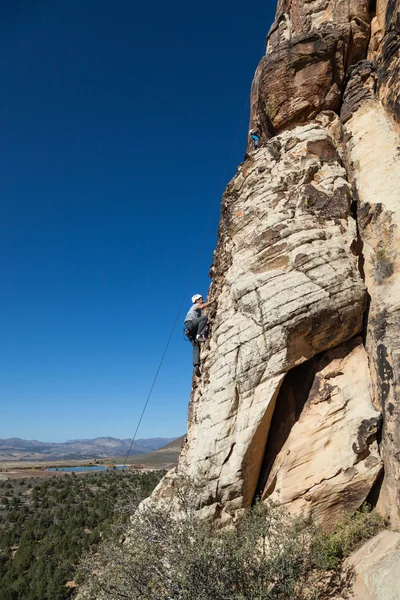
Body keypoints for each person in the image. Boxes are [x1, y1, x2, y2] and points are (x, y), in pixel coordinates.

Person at [184, 294, 216, 376]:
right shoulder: (195, 305)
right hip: (190, 324)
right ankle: (199, 335)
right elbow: (202, 306)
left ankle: (196, 366)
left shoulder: (195, 311)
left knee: (196, 346)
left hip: (188, 330)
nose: (203, 300)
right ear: (197, 300)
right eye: (201, 299)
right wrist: (212, 301)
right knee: (204, 318)